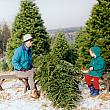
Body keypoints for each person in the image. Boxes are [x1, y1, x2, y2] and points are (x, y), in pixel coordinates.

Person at [12, 34, 39, 98]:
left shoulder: (30, 50)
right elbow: (14, 61)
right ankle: (33, 91)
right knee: (30, 74)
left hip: (27, 69)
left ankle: (35, 88)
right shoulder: (19, 50)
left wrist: (32, 66)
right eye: (30, 41)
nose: (31, 42)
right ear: (26, 42)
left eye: (31, 40)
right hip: (18, 71)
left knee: (36, 71)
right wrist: (21, 68)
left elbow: (28, 61)